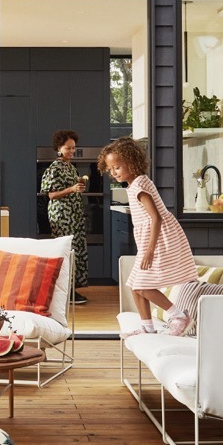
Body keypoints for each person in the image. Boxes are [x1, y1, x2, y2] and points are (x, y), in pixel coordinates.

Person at [98, 136, 196, 336]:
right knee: (135, 285)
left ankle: (178, 316)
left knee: (142, 286)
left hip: (160, 239)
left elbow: (156, 218)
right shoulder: (134, 184)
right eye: (110, 169)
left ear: (131, 163)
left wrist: (150, 250)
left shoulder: (140, 185)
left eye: (117, 167)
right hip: (151, 238)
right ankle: (148, 327)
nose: (113, 172)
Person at [40, 129, 89, 304]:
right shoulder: (55, 168)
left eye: (73, 148)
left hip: (73, 214)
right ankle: (64, 293)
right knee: (65, 251)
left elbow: (72, 189)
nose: (71, 151)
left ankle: (70, 290)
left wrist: (78, 189)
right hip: (62, 215)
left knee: (73, 250)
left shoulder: (70, 167)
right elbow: (51, 195)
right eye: (68, 148)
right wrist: (72, 189)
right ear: (59, 148)